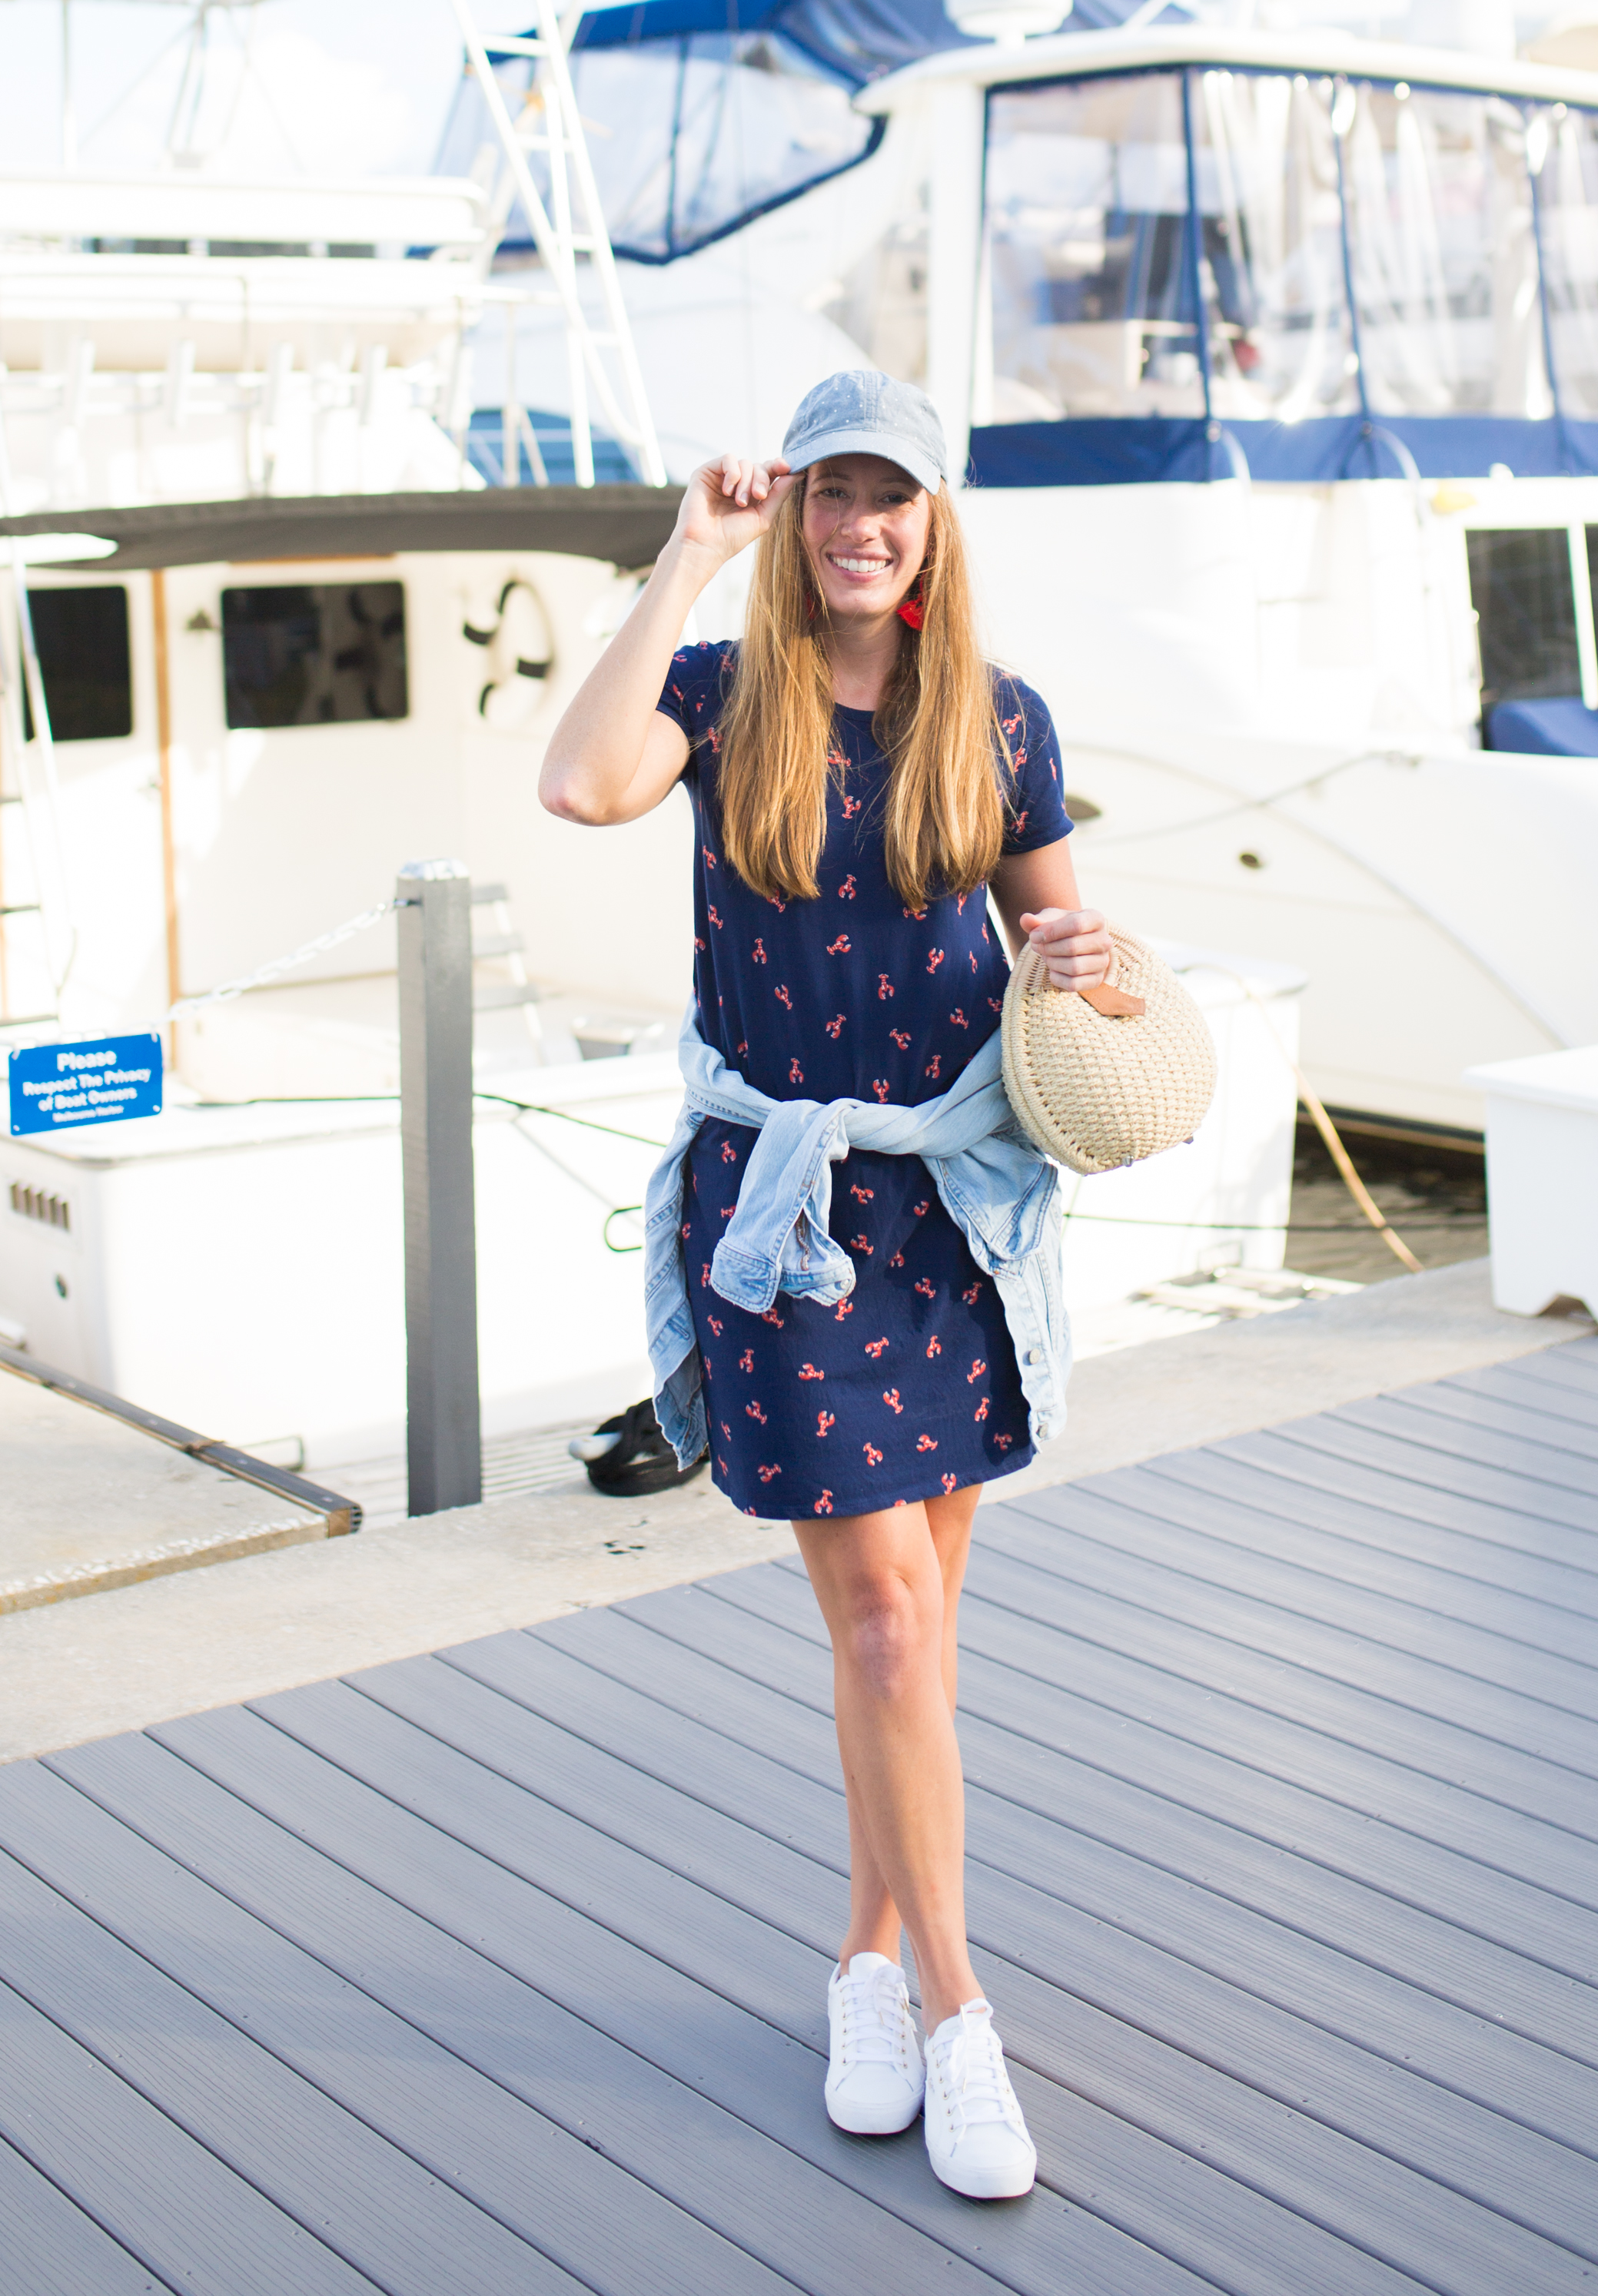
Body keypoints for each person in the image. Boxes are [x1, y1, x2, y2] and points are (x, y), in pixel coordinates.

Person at [540, 369, 1107, 2202]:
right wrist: (685, 553)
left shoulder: (995, 719)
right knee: (879, 1624)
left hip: (948, 1212)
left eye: (895, 497)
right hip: (780, 1220)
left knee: (913, 1636)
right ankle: (955, 2012)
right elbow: (573, 782)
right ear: (793, 516)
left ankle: (863, 1956)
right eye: (830, 493)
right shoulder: (719, 696)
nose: (861, 523)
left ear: (934, 526)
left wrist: (1092, 957)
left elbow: (1058, 949)